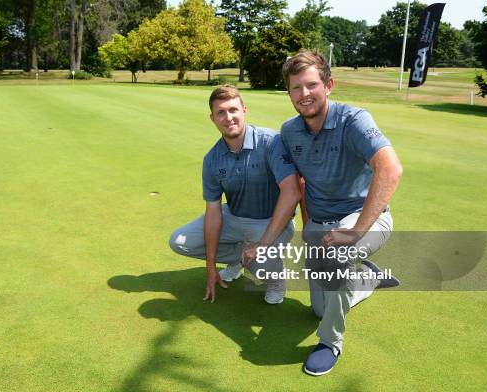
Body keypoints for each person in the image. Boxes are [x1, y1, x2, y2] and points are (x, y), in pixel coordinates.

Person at [279, 50, 403, 376]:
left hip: (364, 218)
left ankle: (330, 342)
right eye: (295, 88)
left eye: (311, 85)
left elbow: (390, 169)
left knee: (340, 255)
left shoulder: (354, 119)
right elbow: (301, 181)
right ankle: (370, 277)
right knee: (321, 308)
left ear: (328, 85)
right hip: (321, 226)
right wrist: (308, 225)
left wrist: (354, 233)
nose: (304, 94)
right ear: (289, 92)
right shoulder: (290, 132)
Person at [169, 85, 301, 304]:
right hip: (233, 216)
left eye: (233, 110)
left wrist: (262, 245)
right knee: (179, 241)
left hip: (271, 221)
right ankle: (241, 258)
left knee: (261, 265)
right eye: (220, 112)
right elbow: (213, 212)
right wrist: (210, 267)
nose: (228, 117)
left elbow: (293, 191)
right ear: (212, 118)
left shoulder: (270, 142)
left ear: (244, 110)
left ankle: (276, 279)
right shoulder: (212, 159)